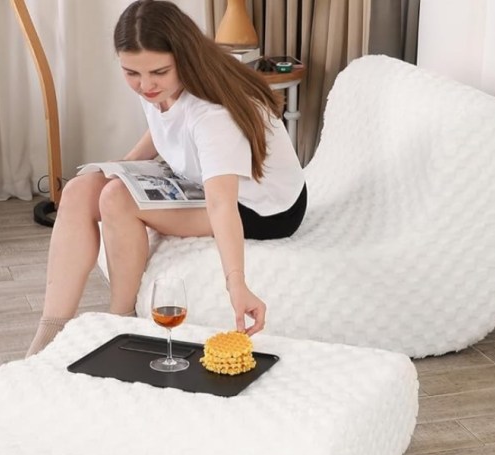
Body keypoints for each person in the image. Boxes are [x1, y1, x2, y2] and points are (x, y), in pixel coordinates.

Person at [26, 0, 307, 357]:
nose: (145, 85)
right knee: (82, 188)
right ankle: (49, 332)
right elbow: (162, 121)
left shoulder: (213, 114)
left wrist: (236, 283)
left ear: (183, 56)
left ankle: (122, 321)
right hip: (205, 179)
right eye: (132, 73)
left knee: (116, 198)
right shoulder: (159, 81)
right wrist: (126, 165)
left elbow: (222, 203)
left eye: (158, 73)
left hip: (263, 206)